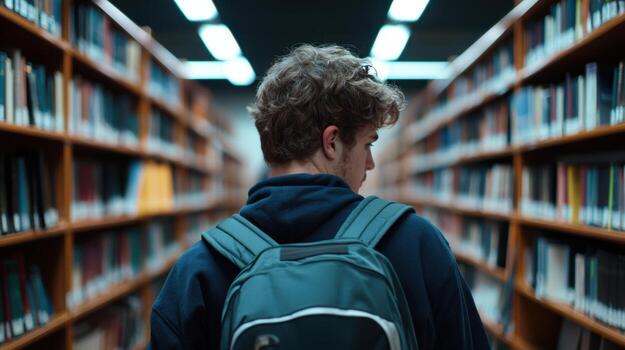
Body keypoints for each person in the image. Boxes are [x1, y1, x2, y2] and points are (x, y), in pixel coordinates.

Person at [149, 44, 489, 350]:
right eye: (368, 144)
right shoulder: (417, 244)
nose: (370, 163)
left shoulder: (201, 267)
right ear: (332, 141)